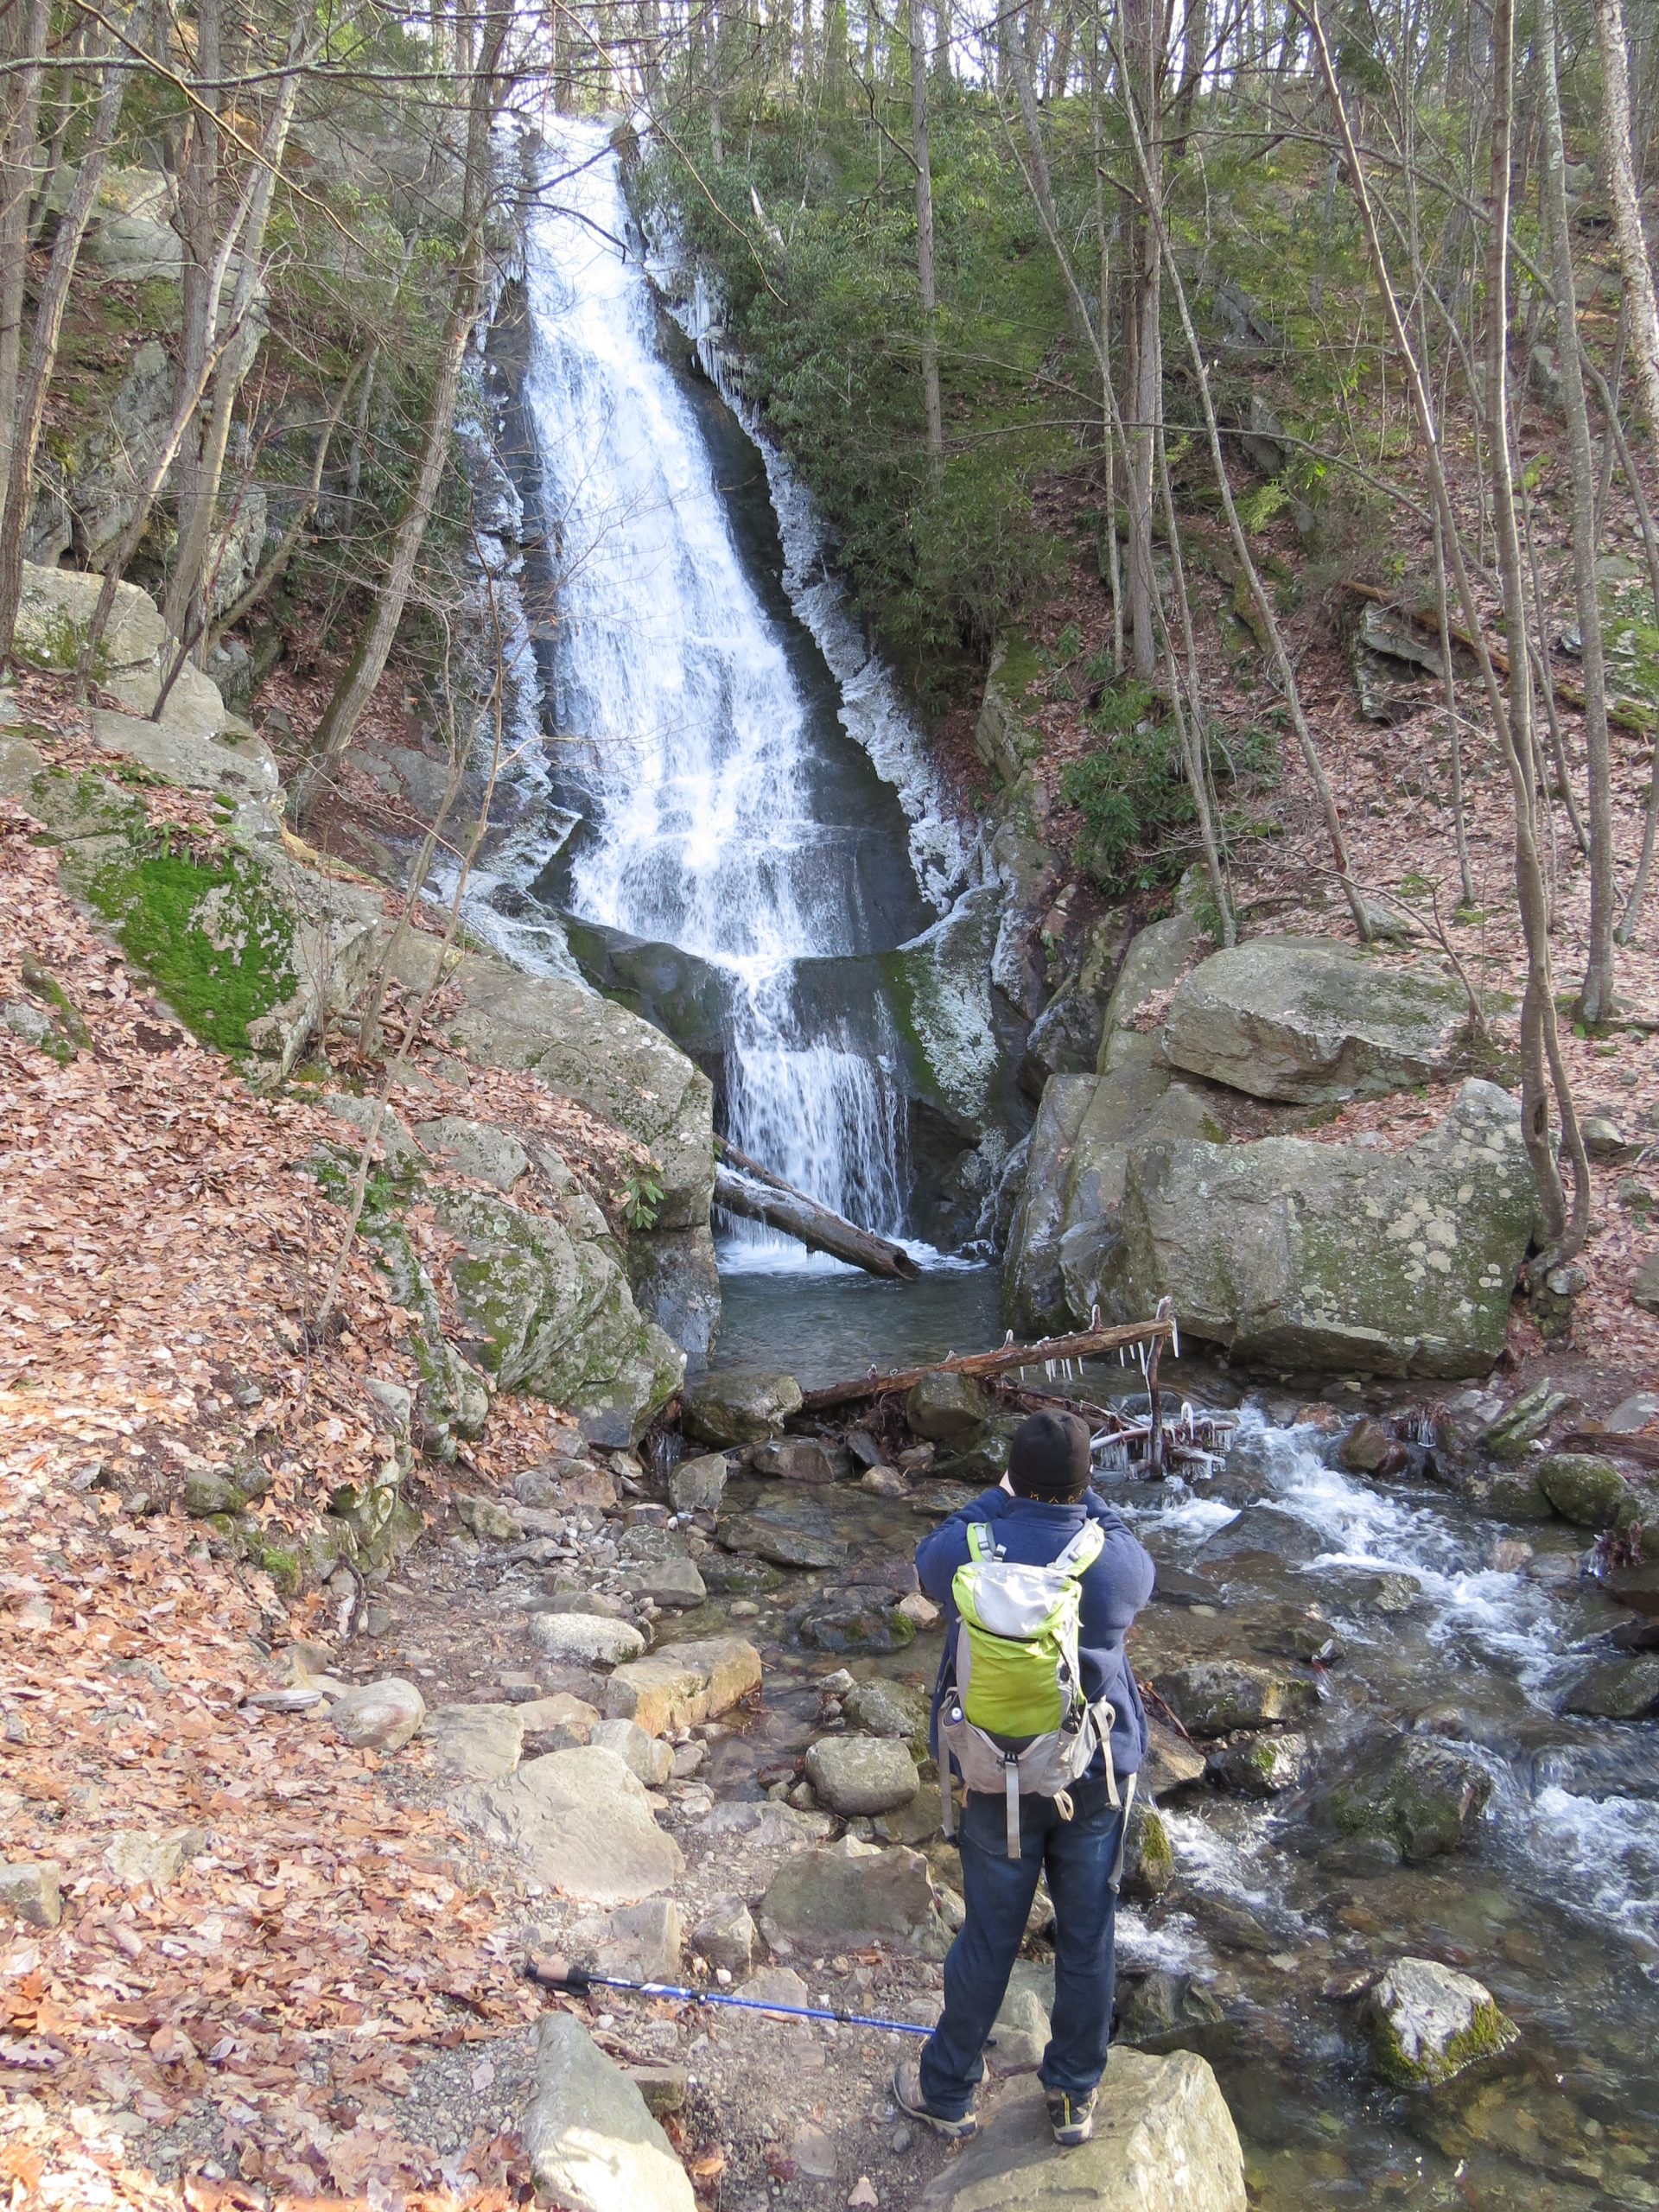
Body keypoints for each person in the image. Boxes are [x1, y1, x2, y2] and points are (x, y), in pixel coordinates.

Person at [893, 1407, 1155, 2149]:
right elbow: (1134, 1560)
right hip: (1092, 1774)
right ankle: (1072, 2096)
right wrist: (1085, 1500)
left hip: (992, 1772)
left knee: (989, 1936)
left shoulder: (970, 1547)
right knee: (1087, 1937)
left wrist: (999, 1499)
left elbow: (927, 1555)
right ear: (1083, 1480)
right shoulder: (1111, 1561)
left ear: (1012, 1475)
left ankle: (946, 2091)